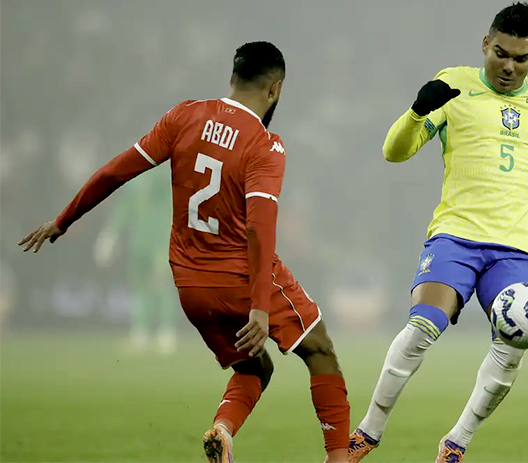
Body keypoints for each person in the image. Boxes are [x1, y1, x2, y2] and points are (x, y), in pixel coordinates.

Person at [18, 41, 350, 463]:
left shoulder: (184, 116)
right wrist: (260, 306)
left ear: (231, 78)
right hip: (239, 278)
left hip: (191, 286)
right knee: (319, 349)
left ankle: (222, 431)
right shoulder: (265, 145)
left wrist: (63, 220)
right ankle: (339, 459)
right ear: (275, 89)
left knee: (254, 367)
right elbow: (258, 227)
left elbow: (115, 171)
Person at [348, 4, 528, 462]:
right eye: (500, 54)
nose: (509, 67)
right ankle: (368, 432)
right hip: (456, 237)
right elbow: (394, 151)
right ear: (485, 44)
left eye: (521, 59)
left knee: (518, 340)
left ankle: (456, 443)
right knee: (422, 327)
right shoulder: (454, 84)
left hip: (518, 249)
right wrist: (416, 112)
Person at [93, 165, 179, 355]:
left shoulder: (161, 175)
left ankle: (166, 331)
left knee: (162, 284)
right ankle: (140, 331)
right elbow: (123, 208)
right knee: (139, 286)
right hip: (137, 243)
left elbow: (173, 206)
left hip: (160, 240)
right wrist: (110, 234)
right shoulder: (132, 178)